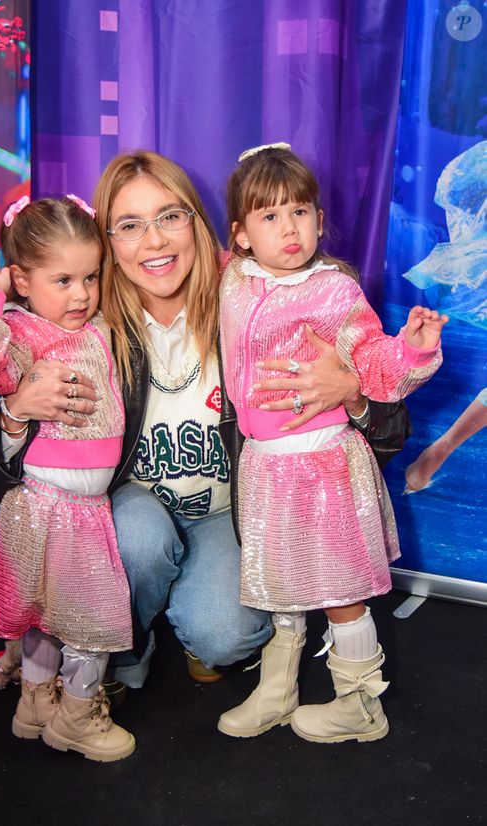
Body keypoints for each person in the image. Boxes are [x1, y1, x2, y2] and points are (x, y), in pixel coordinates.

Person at [0, 151, 411, 702]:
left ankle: (191, 625)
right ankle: (119, 647)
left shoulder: (256, 299)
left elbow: (389, 428)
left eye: (170, 216)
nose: (154, 241)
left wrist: (351, 393)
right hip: (132, 510)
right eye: (130, 225)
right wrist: (17, 410)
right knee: (140, 541)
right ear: (107, 242)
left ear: (200, 223)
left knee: (227, 634)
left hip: (230, 512)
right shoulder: (85, 321)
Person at [217, 144, 447, 743]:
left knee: (341, 593)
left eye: (301, 211)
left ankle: (359, 704)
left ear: (320, 219)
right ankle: (279, 688)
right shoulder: (233, 279)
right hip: (265, 466)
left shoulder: (334, 292)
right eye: (269, 216)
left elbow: (373, 366)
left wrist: (412, 349)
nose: (289, 228)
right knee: (280, 583)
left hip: (323, 468)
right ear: (241, 235)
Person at [0, 195, 135, 762]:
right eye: (63, 280)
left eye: (90, 277)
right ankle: (72, 715)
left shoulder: (100, 327)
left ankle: (39, 703)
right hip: (44, 502)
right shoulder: (20, 330)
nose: (81, 294)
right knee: (80, 617)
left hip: (84, 505)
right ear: (23, 282)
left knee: (52, 611)